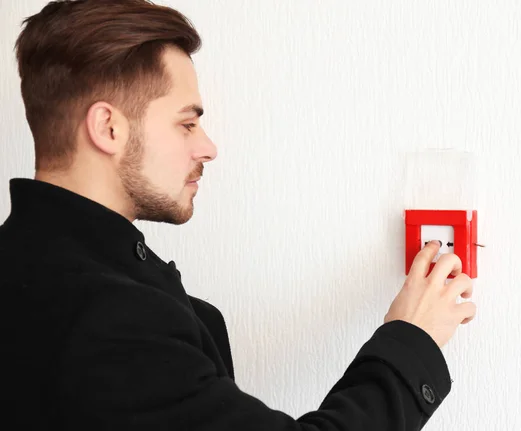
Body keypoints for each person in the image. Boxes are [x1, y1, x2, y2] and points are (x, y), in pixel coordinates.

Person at [0, 1, 476, 430]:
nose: (207, 147)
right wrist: (413, 338)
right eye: (187, 123)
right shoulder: (113, 319)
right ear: (108, 127)